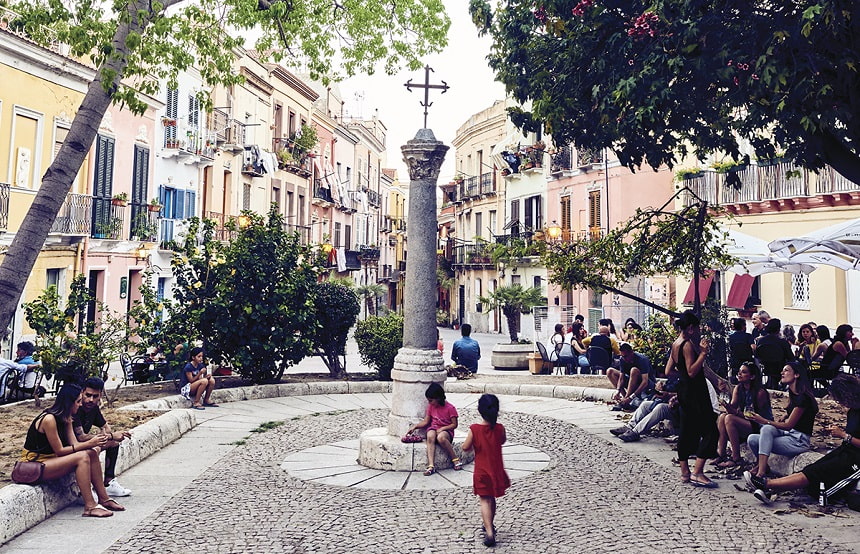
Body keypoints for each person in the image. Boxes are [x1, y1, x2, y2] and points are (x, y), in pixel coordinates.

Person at [744, 373, 860, 505]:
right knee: (814, 468)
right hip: (848, 449)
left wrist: (844, 435)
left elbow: (851, 437)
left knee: (818, 473)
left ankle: (767, 484)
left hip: (856, 457)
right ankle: (769, 487)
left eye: (840, 399)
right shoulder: (853, 411)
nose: (840, 403)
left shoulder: (804, 399)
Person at [17, 383, 123, 517]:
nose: (80, 405)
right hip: (35, 463)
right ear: (69, 402)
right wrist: (90, 442)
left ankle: (104, 498)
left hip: (52, 460)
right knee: (82, 457)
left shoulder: (67, 417)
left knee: (90, 453)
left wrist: (93, 443)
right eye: (78, 401)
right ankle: (90, 506)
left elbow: (74, 444)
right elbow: (60, 450)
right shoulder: (49, 419)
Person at [665, 310, 719, 487]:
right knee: (711, 429)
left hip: (685, 390)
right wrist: (703, 354)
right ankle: (698, 472)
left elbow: (668, 371)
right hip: (695, 391)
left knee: (687, 429)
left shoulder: (675, 344)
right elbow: (691, 370)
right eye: (696, 328)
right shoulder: (687, 345)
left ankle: (685, 472)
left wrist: (683, 378)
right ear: (690, 328)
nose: (699, 331)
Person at [744, 362, 818, 480]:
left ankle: (760, 473)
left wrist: (763, 420)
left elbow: (788, 425)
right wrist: (785, 415)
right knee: (753, 439)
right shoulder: (794, 394)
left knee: (766, 427)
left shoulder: (803, 398)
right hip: (789, 434)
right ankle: (762, 466)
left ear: (796, 375)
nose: (782, 373)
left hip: (798, 440)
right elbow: (794, 414)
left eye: (786, 370)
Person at [462, 394, 510, 548]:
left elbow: (465, 447)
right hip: (496, 470)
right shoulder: (500, 428)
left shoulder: (475, 429)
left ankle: (489, 532)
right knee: (492, 498)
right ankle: (490, 524)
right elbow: (502, 440)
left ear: (480, 410)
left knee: (484, 499)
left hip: (482, 471)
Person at [73, 377, 133, 497]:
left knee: (114, 444)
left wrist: (108, 437)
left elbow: (106, 427)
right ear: (82, 392)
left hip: (83, 445)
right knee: (96, 448)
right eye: (88, 395)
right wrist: (110, 436)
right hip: (71, 446)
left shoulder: (93, 407)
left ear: (100, 395)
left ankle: (109, 482)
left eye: (95, 396)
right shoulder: (75, 407)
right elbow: (81, 437)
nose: (90, 400)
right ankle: (88, 489)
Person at [714, 362, 773, 469]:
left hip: (760, 425)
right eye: (740, 372)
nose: (739, 374)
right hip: (745, 421)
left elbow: (752, 416)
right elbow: (731, 408)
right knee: (723, 417)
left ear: (752, 376)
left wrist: (734, 412)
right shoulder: (738, 388)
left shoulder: (760, 392)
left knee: (729, 418)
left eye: (744, 372)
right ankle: (721, 454)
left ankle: (736, 458)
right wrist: (724, 395)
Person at [407, 382, 461, 476]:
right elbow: (426, 421)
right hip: (434, 428)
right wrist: (415, 426)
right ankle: (431, 465)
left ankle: (455, 458)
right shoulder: (431, 407)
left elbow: (454, 424)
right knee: (430, 435)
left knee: (441, 438)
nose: (429, 403)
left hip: (446, 431)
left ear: (438, 398)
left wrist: (443, 428)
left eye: (431, 400)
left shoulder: (450, 408)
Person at [610, 371, 680, 442]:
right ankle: (630, 426)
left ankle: (635, 432)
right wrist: (660, 386)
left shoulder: (688, 378)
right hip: (667, 402)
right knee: (645, 405)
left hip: (679, 408)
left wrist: (670, 395)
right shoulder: (674, 377)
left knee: (661, 408)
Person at [607, 343, 654, 408]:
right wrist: (618, 391)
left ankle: (627, 399)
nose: (624, 358)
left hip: (647, 385)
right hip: (632, 382)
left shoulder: (642, 359)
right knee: (610, 371)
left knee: (634, 370)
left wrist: (631, 397)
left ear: (631, 352)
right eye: (622, 356)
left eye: (626, 356)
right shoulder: (622, 359)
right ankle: (625, 399)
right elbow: (621, 378)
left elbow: (645, 382)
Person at [755, 318, 794, 389]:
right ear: (778, 329)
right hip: (780, 368)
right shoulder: (782, 342)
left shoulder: (761, 341)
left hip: (766, 368)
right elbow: (791, 358)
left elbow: (757, 356)